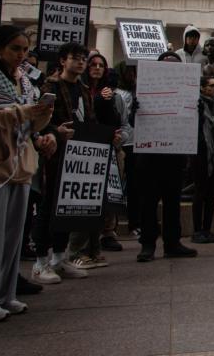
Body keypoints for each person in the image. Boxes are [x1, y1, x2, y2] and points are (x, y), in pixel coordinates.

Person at [0, 25, 55, 320]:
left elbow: (30, 126)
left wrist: (43, 120)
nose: (21, 55)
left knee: (13, 235)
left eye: (24, 50)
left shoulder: (25, 82)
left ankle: (6, 294)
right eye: (15, 49)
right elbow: (0, 117)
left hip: (21, 164)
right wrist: (25, 113)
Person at [31, 42, 93, 282]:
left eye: (83, 59)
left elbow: (90, 121)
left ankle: (59, 257)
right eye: (75, 58)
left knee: (66, 208)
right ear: (63, 61)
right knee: (46, 208)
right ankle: (40, 262)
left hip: (77, 158)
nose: (80, 63)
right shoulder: (50, 87)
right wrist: (56, 131)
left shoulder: (84, 90)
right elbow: (37, 121)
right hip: (53, 156)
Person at [136, 50, 198, 262]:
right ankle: (147, 244)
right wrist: (134, 109)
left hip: (175, 153)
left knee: (173, 200)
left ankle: (172, 242)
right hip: (150, 154)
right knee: (149, 201)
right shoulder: (145, 89)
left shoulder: (187, 90)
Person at [67, 51, 123, 266]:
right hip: (81, 151)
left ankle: (93, 248)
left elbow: (113, 119)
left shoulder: (109, 92)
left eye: (101, 64)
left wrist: (106, 102)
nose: (97, 67)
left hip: (104, 148)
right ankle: (76, 251)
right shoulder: (78, 90)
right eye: (93, 64)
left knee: (101, 202)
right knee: (83, 202)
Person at [191, 75, 214, 244]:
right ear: (202, 88)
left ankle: (207, 229)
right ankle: (197, 230)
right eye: (211, 86)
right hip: (201, 154)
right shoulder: (198, 106)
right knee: (200, 192)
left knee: (211, 194)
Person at [113, 61, 140, 236]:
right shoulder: (118, 95)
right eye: (130, 72)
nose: (133, 76)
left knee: (136, 187)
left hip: (140, 143)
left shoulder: (137, 91)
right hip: (126, 144)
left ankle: (135, 222)